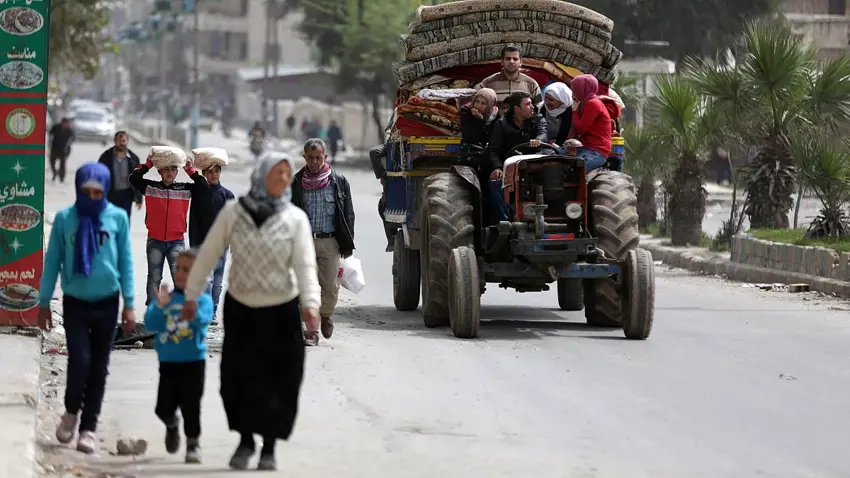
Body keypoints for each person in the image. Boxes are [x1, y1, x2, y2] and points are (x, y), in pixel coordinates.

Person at [179, 154, 321, 471]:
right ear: (262, 175)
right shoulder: (234, 213)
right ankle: (245, 441)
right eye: (278, 173)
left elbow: (306, 267)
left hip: (281, 310)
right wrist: (191, 295)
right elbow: (208, 255)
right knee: (239, 377)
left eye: (287, 174)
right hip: (242, 308)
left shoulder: (295, 219)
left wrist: (311, 305)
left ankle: (269, 446)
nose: (285, 179)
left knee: (280, 379)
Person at [38, 163, 136, 454]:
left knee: (99, 368)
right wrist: (43, 303)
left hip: (107, 303)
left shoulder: (117, 218)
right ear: (78, 189)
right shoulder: (66, 219)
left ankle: (88, 428)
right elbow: (53, 261)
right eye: (86, 192)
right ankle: (71, 412)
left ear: (105, 190)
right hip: (76, 303)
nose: (92, 197)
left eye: (97, 192)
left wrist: (129, 304)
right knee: (79, 361)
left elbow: (126, 263)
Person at [145, 248, 213, 464]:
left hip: (194, 362)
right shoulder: (168, 299)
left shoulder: (202, 300)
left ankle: (193, 444)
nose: (181, 274)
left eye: (188, 270)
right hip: (168, 363)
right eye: (179, 269)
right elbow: (150, 323)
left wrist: (191, 311)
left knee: (191, 405)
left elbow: (202, 319)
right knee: (163, 407)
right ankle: (172, 424)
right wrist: (160, 308)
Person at [292, 138, 355, 345]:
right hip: (305, 243)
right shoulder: (296, 183)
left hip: (330, 242)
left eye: (318, 158)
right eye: (310, 158)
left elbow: (348, 214)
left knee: (329, 286)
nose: (314, 162)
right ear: (304, 158)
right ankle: (311, 331)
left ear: (325, 157)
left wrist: (347, 244)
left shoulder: (339, 181)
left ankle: (326, 314)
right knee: (306, 287)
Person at [129, 154, 209, 306]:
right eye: (165, 169)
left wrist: (190, 170)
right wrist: (148, 164)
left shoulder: (185, 189)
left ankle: (182, 309)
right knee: (154, 277)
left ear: (177, 172)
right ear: (159, 172)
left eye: (173, 169)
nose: (169, 173)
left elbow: (204, 188)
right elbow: (133, 178)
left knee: (180, 276)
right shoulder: (151, 187)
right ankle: (152, 309)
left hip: (176, 241)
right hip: (155, 240)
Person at [486, 92, 548, 223]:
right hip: (509, 168)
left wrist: (538, 140)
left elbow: (543, 133)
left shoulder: (538, 118)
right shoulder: (501, 124)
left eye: (531, 103)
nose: (532, 107)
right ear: (516, 109)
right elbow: (494, 149)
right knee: (494, 183)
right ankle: (505, 222)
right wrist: (497, 167)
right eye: (528, 104)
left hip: (534, 166)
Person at [188, 157, 235, 317]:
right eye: (210, 171)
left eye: (216, 171)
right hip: (202, 244)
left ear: (220, 172)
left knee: (217, 282)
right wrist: (193, 243)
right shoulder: (199, 194)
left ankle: (213, 310)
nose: (213, 175)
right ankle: (207, 310)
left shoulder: (227, 195)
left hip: (221, 245)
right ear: (204, 173)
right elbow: (193, 219)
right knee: (206, 281)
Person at [567, 74, 612, 172]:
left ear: (582, 89)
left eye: (575, 89)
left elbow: (580, 128)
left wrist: (574, 110)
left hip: (596, 150)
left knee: (576, 171)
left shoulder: (592, 104)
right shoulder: (584, 103)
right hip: (584, 146)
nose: (573, 93)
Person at [474, 45, 543, 109]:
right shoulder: (488, 83)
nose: (511, 61)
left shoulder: (531, 84)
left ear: (521, 62)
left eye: (515, 59)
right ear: (502, 61)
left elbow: (539, 109)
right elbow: (476, 105)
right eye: (508, 58)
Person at [98, 131, 143, 220]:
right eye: (119, 141)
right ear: (115, 141)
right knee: (110, 218)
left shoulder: (133, 159)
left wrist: (139, 199)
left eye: (124, 141)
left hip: (127, 194)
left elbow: (138, 180)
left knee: (125, 219)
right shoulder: (106, 157)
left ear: (127, 141)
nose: (122, 143)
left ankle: (124, 234)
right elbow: (100, 175)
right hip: (111, 193)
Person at [48, 117, 75, 184]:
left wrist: (68, 145)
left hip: (64, 150)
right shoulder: (56, 127)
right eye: (64, 123)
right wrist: (49, 145)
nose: (66, 125)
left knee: (62, 164)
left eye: (67, 123)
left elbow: (73, 138)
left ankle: (61, 178)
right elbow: (50, 135)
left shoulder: (69, 130)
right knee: (52, 162)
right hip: (54, 148)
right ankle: (55, 173)